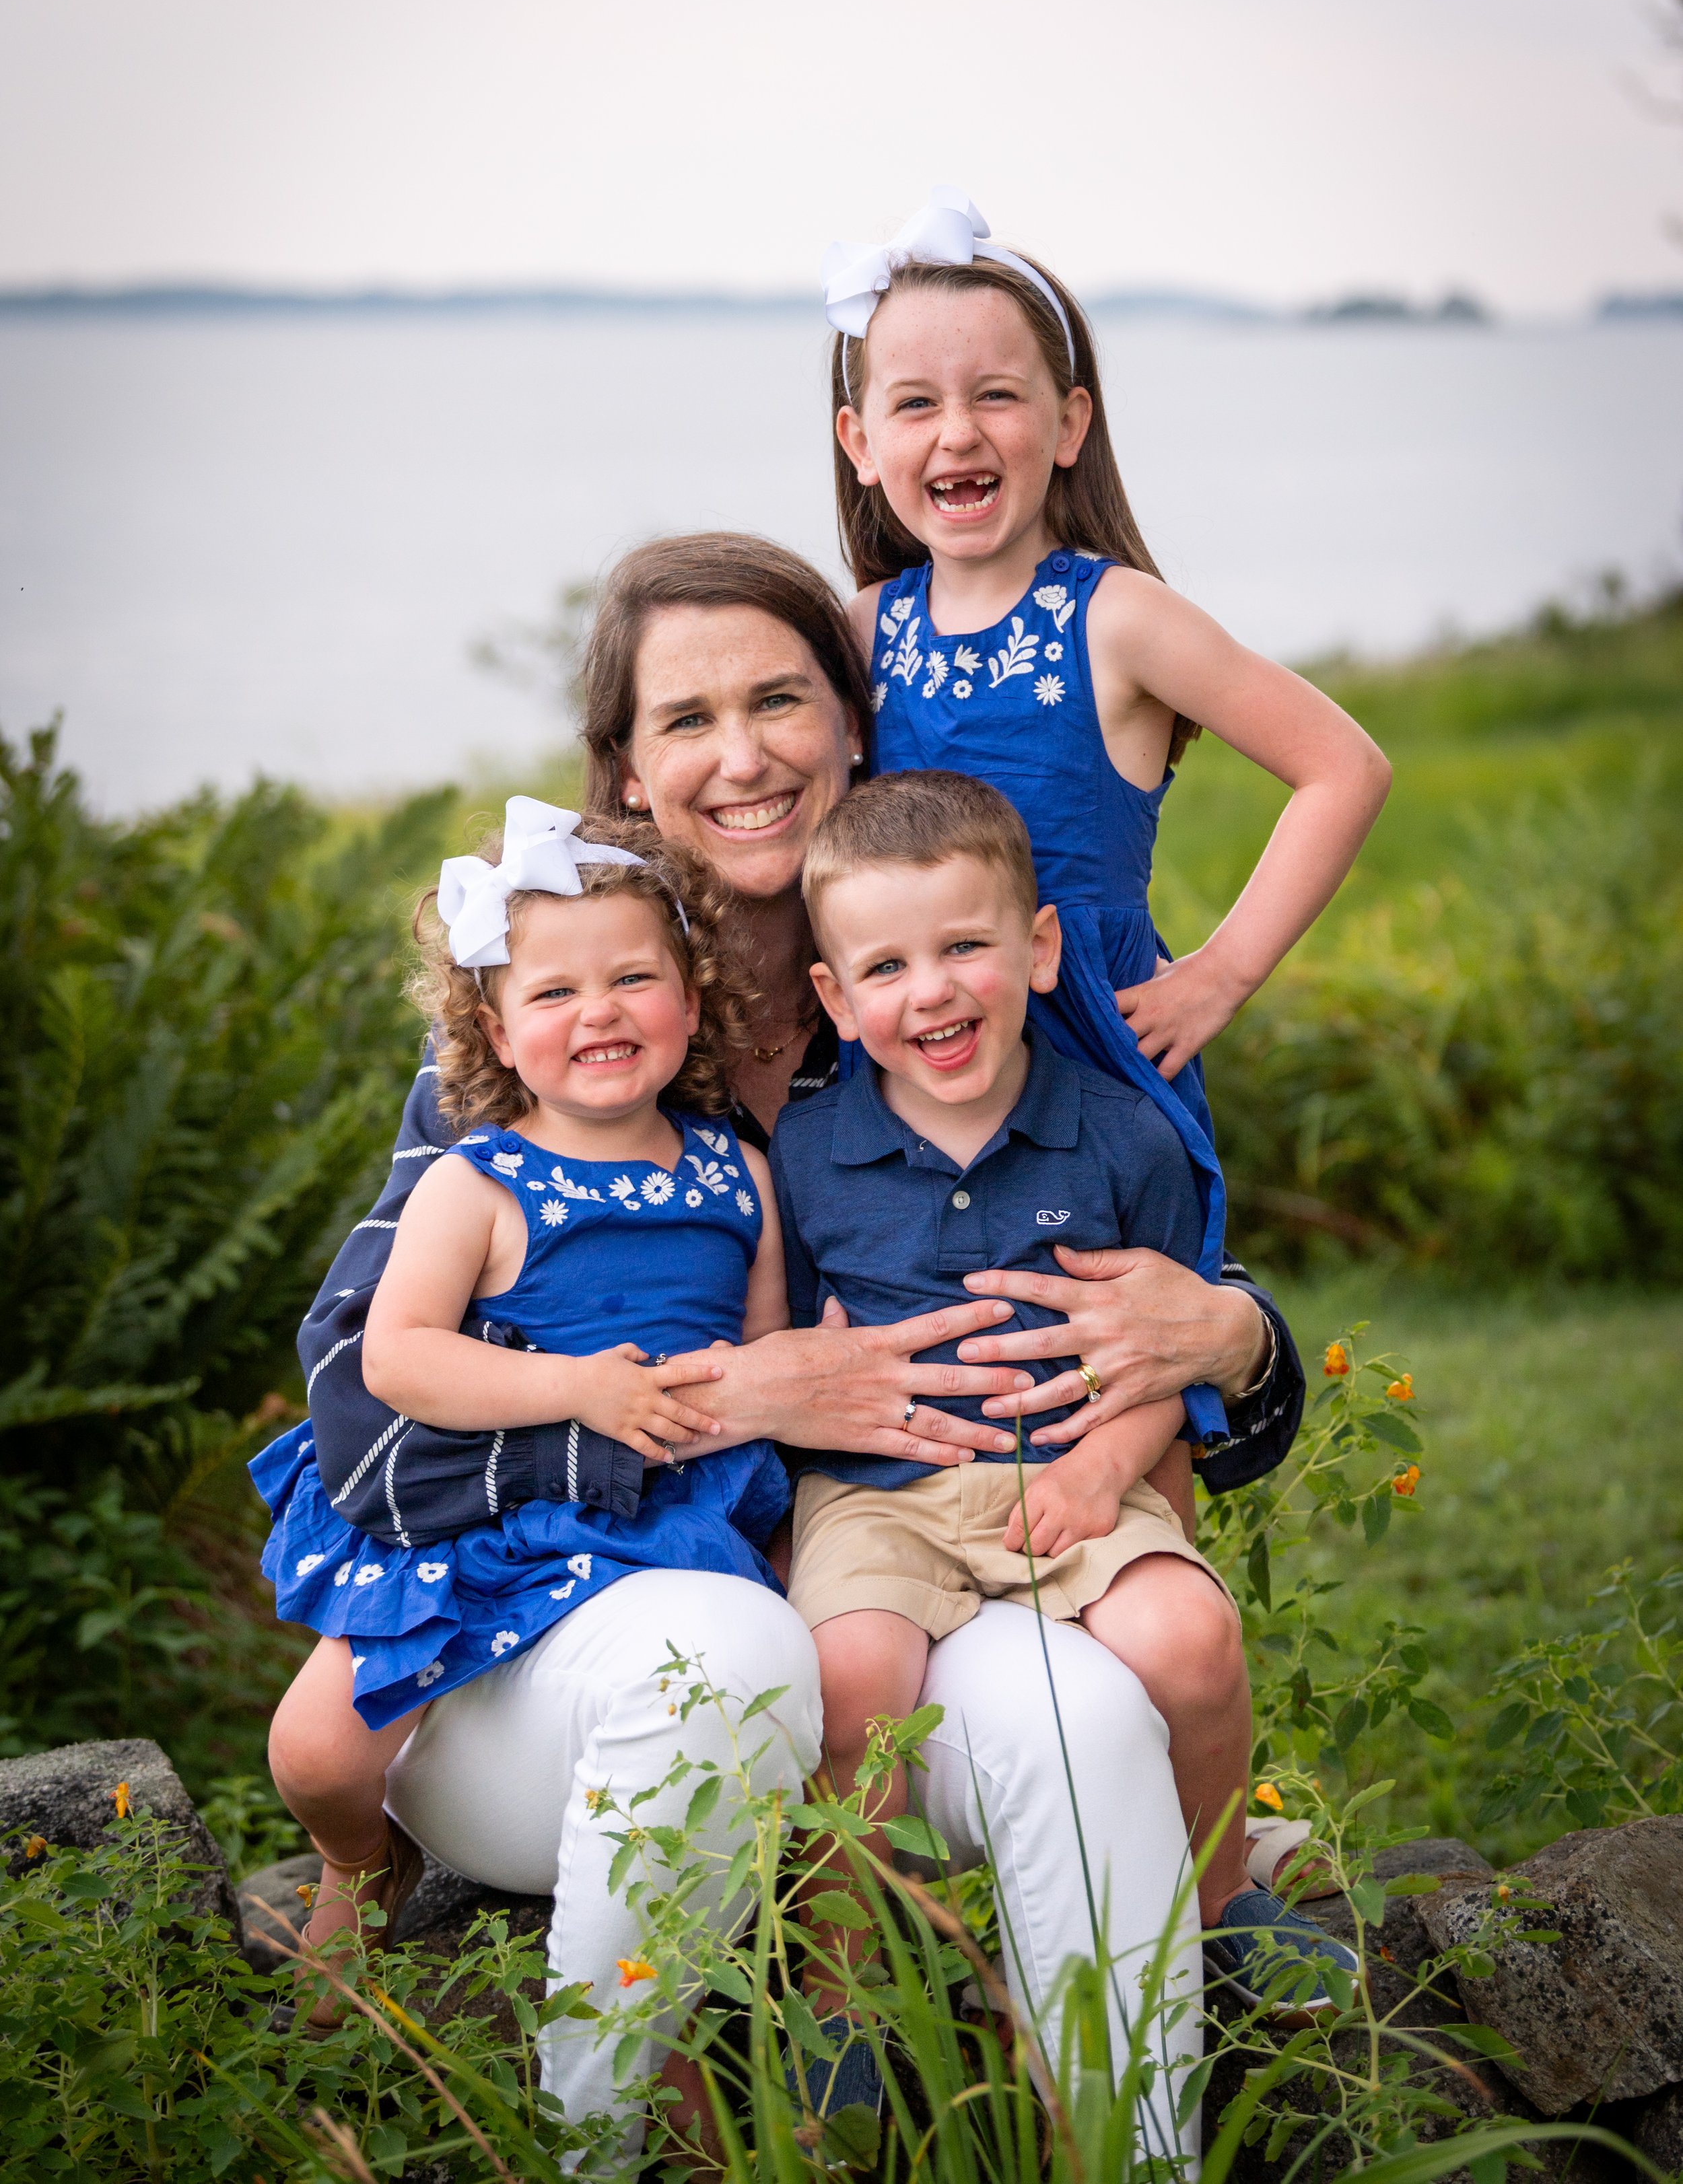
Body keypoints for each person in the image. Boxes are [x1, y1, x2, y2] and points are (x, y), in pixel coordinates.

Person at [293, 532, 1311, 2158]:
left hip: (913, 1567)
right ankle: (655, 2097)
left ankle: (1123, 2116)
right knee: (742, 1658)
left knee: (1097, 1719)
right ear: (625, 772)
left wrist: (1239, 1333)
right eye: (684, 720)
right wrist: (725, 1398)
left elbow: (1152, 1278)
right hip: (619, 1635)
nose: (743, 752)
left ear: (855, 722)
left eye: (780, 699)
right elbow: (360, 1406)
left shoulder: (963, 974)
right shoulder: (564, 1039)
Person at [825, 186, 1391, 1502]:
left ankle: (1154, 1643)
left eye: (997, 396)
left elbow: (1339, 765)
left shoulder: (1117, 619)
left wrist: (1221, 972)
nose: (956, 433)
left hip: (1089, 1050)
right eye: (913, 403)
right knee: (945, 1383)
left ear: (1068, 422)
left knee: (1122, 1390)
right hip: (917, 1059)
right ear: (859, 440)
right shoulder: (854, 637)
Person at [774, 770, 1357, 2038]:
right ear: (835, 995)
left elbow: (1175, 1358)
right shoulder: (807, 1151)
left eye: (965, 946)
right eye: (885, 966)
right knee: (849, 1675)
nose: (929, 990)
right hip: (886, 1497)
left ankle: (1212, 1908)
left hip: (1081, 1471)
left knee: (1193, 1642)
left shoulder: (1124, 1136)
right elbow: (797, 1351)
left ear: (1040, 949)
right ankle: (841, 1980)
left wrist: (1106, 1474)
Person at [259, 804, 799, 2030]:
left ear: (692, 996)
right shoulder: (475, 1179)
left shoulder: (736, 1175)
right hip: (490, 1508)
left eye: (631, 979)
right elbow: (397, 1360)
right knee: (314, 1752)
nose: (598, 1012)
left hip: (669, 1509)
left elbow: (768, 1359)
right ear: (496, 1031)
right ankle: (361, 1861)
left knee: (712, 1693)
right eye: (554, 994)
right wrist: (578, 1390)